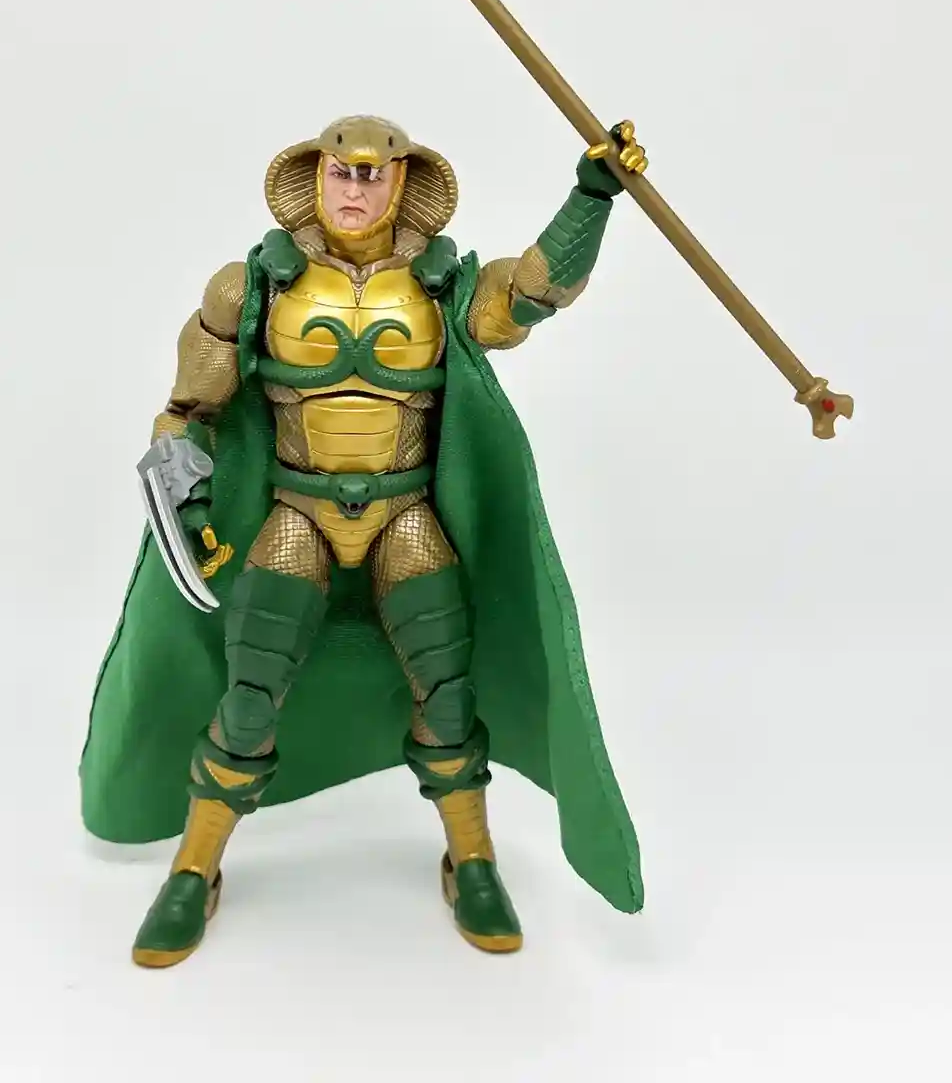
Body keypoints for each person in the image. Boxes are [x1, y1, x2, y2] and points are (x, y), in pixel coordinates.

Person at [80, 113, 647, 967]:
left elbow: (533, 292)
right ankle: (194, 869)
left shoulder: (441, 287)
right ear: (313, 177)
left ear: (403, 183)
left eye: (373, 174)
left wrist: (592, 196)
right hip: (298, 516)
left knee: (447, 701)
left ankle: (472, 860)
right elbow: (189, 408)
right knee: (247, 703)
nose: (355, 188)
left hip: (403, 517)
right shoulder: (250, 288)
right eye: (341, 172)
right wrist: (182, 486)